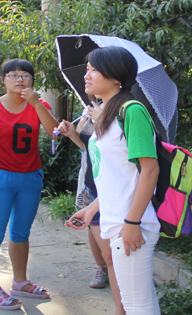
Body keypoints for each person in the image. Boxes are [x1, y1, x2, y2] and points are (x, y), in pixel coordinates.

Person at [61, 46, 160, 315]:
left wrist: (133, 223)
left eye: (94, 70)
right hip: (116, 218)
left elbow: (149, 171)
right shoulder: (109, 115)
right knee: (138, 302)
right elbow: (116, 176)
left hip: (131, 223)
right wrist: (92, 208)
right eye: (87, 69)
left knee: (137, 306)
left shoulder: (132, 111)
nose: (86, 75)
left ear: (116, 77)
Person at [0, 59, 59, 310]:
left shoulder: (39, 105)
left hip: (30, 177)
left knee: (21, 233)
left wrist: (36, 103)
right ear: (3, 79)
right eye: (13, 75)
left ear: (33, 80)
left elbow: (55, 132)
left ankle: (20, 282)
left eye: (26, 75)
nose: (20, 79)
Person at [58, 101, 127, 315]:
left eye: (93, 71)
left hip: (116, 191)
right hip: (93, 188)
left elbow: (124, 153)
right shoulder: (93, 107)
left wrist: (104, 122)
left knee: (118, 256)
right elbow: (88, 147)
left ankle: (127, 304)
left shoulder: (127, 108)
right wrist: (72, 134)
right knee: (109, 257)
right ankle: (120, 307)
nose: (87, 82)